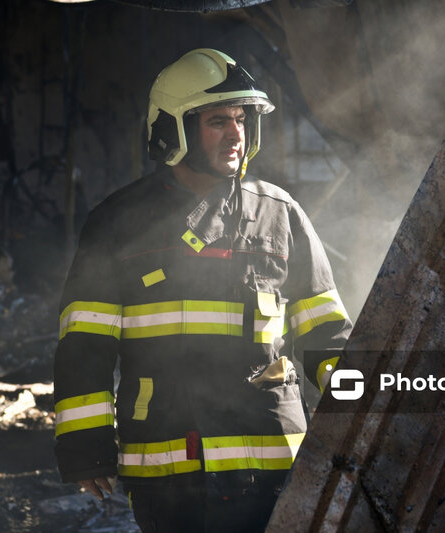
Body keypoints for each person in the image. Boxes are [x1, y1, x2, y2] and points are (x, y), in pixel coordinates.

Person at [53, 48, 352, 532]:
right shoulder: (116, 223)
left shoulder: (281, 213)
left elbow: (325, 329)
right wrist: (87, 451)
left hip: (271, 460)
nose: (236, 134)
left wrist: (360, 405)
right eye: (218, 121)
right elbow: (84, 346)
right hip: (167, 467)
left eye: (242, 119)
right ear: (173, 130)